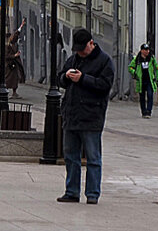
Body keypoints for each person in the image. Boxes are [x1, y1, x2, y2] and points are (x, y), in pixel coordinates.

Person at [55, 28, 115, 206]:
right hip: (72, 114)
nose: (81, 52)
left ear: (91, 43)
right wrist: (65, 77)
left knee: (93, 157)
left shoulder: (104, 61)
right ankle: (71, 191)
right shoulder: (73, 59)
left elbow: (105, 86)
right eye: (78, 49)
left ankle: (92, 193)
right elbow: (60, 79)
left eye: (83, 48)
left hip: (92, 116)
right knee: (71, 156)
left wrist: (83, 79)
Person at [129, 43, 158, 118]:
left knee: (150, 95)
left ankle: (148, 111)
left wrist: (157, 79)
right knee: (142, 97)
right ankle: (143, 111)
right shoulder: (137, 59)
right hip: (141, 81)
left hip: (150, 80)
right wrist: (135, 73)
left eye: (148, 50)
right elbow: (130, 67)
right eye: (145, 50)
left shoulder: (151, 58)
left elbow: (156, 68)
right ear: (142, 50)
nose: (147, 51)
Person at [4, 21, 26, 97]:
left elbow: (16, 35)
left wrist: (21, 26)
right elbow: (6, 56)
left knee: (15, 79)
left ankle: (14, 92)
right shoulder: (7, 46)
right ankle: (4, 91)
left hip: (14, 64)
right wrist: (14, 55)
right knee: (8, 79)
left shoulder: (12, 43)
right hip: (9, 65)